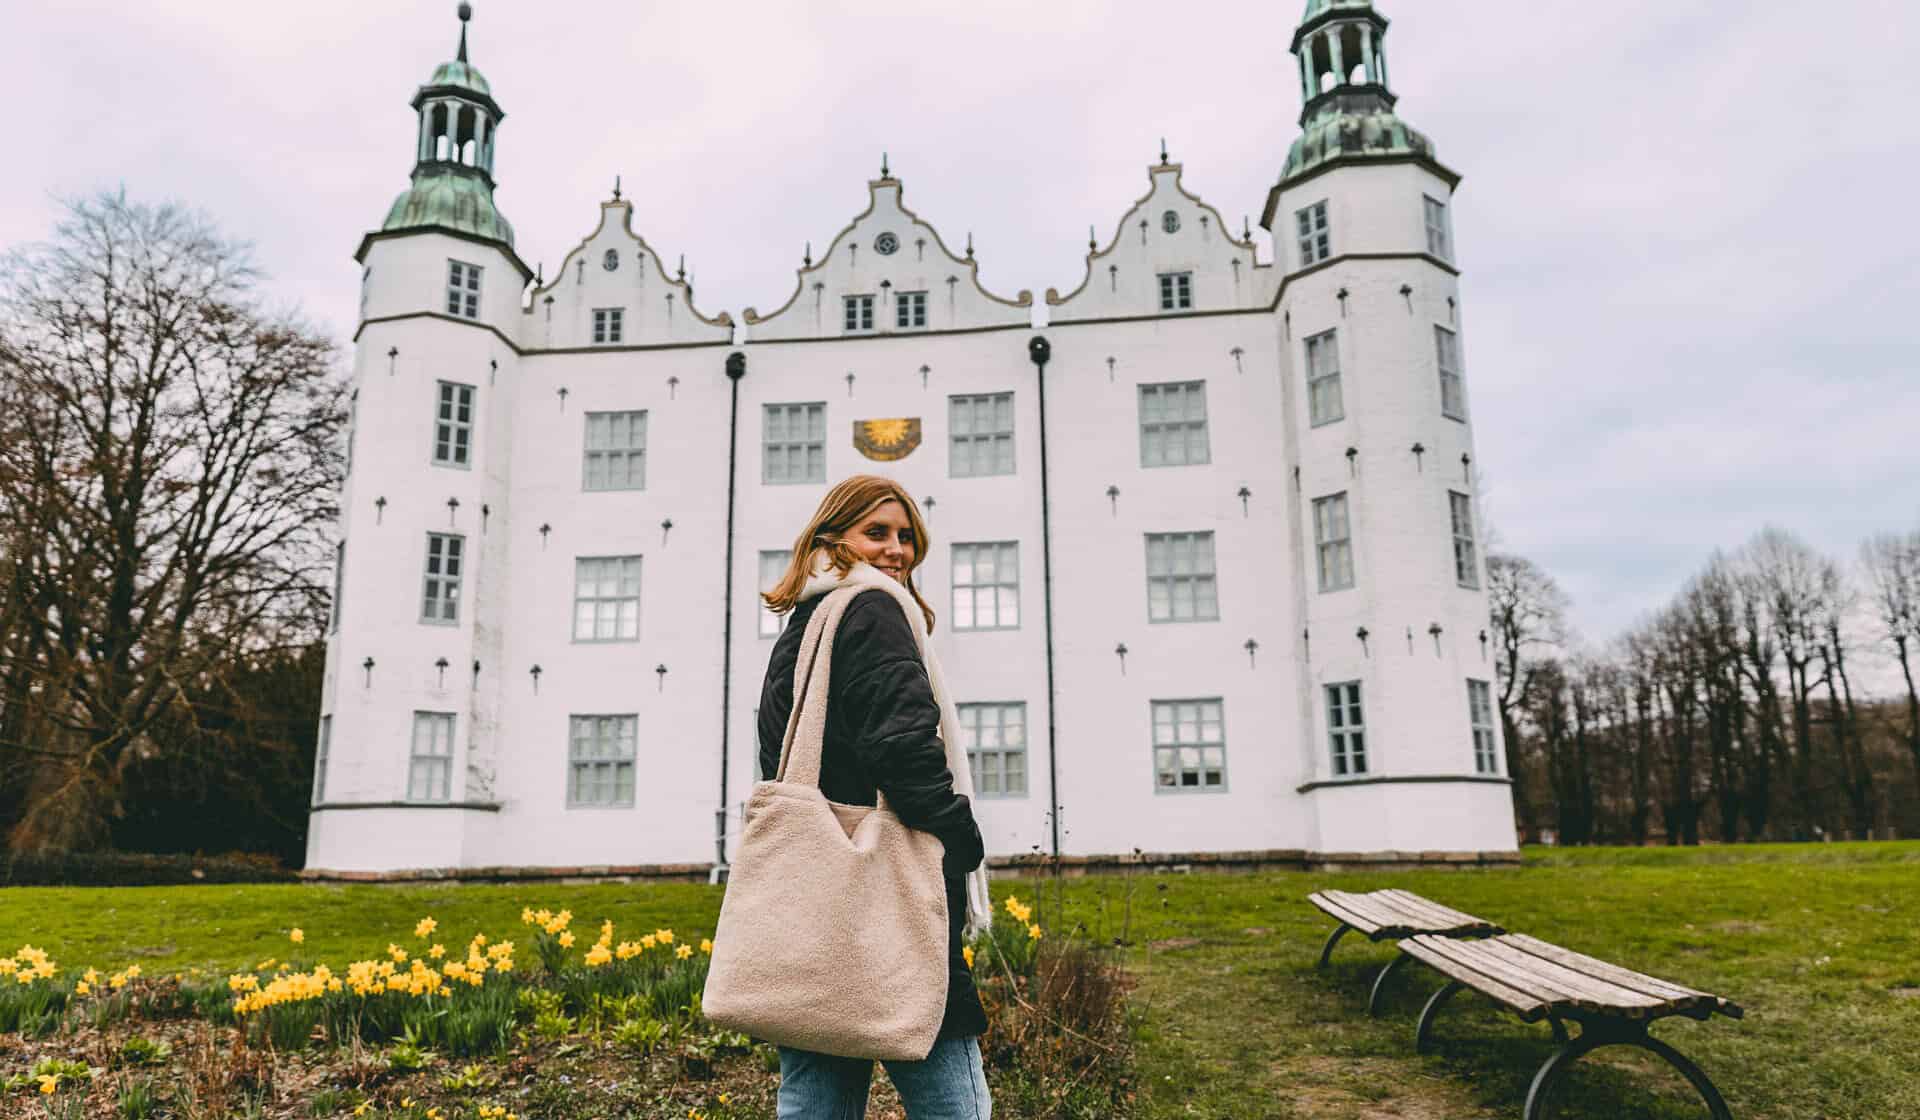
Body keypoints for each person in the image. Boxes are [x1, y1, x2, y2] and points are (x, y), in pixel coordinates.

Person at [757, 474, 994, 1119]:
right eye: (878, 533)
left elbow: (780, 752)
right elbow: (904, 746)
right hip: (889, 888)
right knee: (952, 1097)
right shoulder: (873, 610)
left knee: (815, 1095)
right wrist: (960, 839)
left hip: (816, 896)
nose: (897, 550)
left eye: (907, 536)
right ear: (835, 538)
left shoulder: (807, 624)